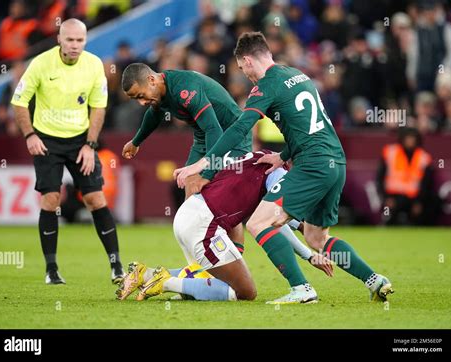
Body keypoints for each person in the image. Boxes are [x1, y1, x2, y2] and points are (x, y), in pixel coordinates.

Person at [174, 32, 394, 304]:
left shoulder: (266, 86)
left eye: (244, 70)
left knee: (258, 222)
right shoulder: (298, 75)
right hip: (335, 162)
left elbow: (241, 127)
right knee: (317, 237)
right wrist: (282, 156)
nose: (247, 76)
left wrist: (204, 161)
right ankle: (375, 281)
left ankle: (301, 288)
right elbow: (308, 126)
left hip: (312, 164)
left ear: (247, 60)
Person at [116, 151, 333, 302]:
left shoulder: (259, 160)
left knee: (214, 276)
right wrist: (308, 254)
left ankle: (145, 274)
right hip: (203, 225)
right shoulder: (277, 173)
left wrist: (305, 240)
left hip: (190, 215)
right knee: (244, 292)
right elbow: (274, 222)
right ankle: (165, 282)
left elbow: (275, 219)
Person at [11, 18, 125, 285]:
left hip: (80, 141)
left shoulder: (94, 64)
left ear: (85, 41)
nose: (75, 45)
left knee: (96, 199)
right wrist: (30, 135)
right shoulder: (40, 63)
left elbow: (98, 107)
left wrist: (90, 145)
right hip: (46, 140)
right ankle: (51, 270)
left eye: (80, 40)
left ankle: (116, 265)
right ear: (59, 39)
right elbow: (19, 101)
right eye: (70, 40)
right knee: (51, 199)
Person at [120, 62, 253, 249]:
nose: (141, 102)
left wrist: (207, 174)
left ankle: (234, 258)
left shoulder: (185, 88)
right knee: (191, 193)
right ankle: (199, 261)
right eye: (136, 99)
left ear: (151, 80)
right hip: (203, 135)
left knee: (221, 198)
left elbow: (213, 128)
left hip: (233, 134)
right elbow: (154, 115)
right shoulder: (159, 92)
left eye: (141, 96)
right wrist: (136, 142)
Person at [377, 127, 436, 225]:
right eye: (408, 138)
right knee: (390, 212)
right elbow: (380, 178)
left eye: (413, 138)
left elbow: (427, 183)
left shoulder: (424, 157)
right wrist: (386, 197)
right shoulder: (390, 152)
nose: (410, 141)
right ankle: (387, 223)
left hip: (414, 197)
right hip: (393, 196)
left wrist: (419, 202)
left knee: (433, 202)